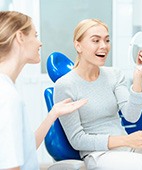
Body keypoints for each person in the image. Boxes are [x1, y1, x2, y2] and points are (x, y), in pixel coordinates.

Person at [54, 18, 142, 170]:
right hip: (99, 155)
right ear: (78, 45)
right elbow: (77, 140)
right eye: (96, 40)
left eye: (107, 40)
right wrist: (126, 140)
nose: (104, 46)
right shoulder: (65, 85)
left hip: (127, 146)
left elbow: (131, 116)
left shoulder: (114, 74)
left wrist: (138, 77)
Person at [0, 11, 87, 170]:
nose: (39, 43)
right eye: (35, 35)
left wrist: (54, 113)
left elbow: (23, 151)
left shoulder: (5, 89)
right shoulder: (7, 97)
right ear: (20, 37)